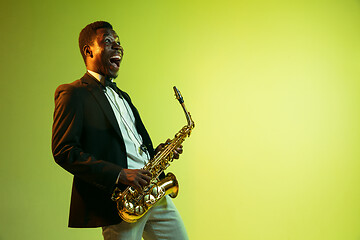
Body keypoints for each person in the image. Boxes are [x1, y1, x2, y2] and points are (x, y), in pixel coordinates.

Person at [51, 21, 188, 240]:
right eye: (108, 41)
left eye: (118, 42)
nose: (117, 47)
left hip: (154, 191)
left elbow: (132, 144)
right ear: (89, 51)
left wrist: (157, 153)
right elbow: (64, 151)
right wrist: (120, 174)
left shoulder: (124, 97)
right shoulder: (73, 93)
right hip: (121, 202)